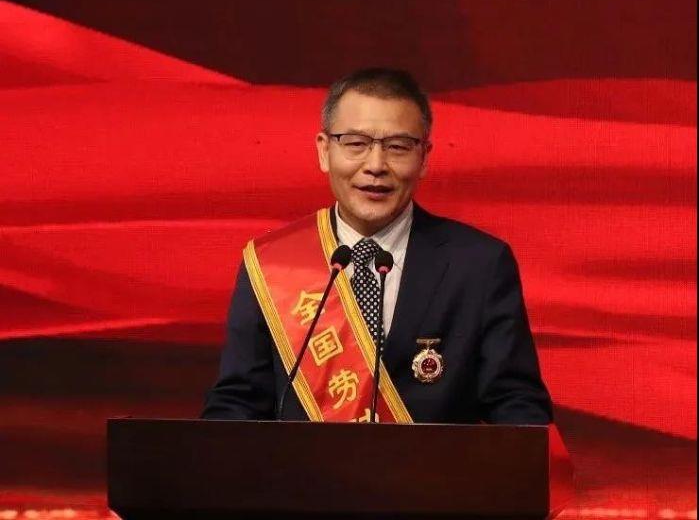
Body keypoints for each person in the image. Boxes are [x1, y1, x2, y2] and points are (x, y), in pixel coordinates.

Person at [202, 68, 552, 424]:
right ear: (324, 151)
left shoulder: (479, 265)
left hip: (434, 464)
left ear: (424, 157)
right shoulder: (274, 264)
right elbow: (237, 406)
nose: (375, 166)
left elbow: (518, 410)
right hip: (301, 464)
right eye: (356, 143)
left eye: (397, 147)